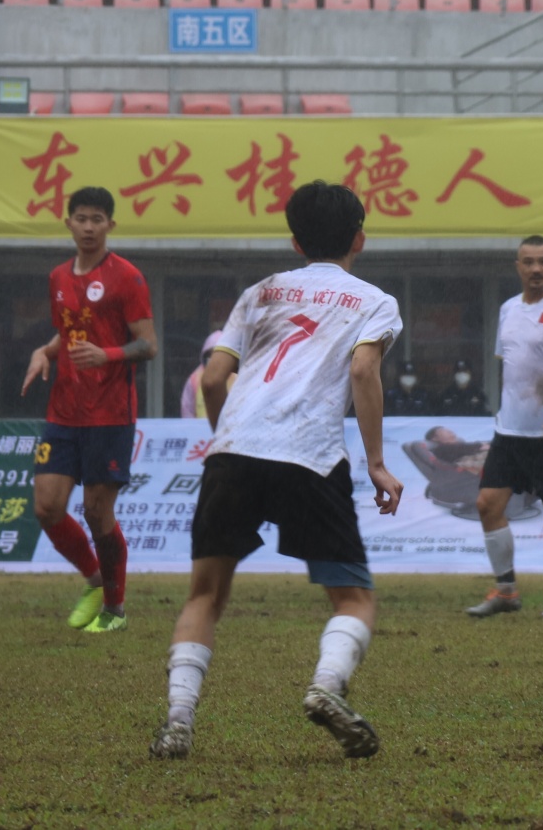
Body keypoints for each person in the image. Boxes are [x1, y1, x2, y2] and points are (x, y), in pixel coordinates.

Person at [148, 181, 404, 761]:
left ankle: (178, 721)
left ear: (293, 242)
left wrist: (229, 441)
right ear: (360, 238)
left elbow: (214, 379)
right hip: (309, 456)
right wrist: (378, 464)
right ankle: (325, 687)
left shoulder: (259, 293)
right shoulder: (375, 300)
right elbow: (364, 372)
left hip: (234, 453)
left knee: (205, 596)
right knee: (353, 598)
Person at [21, 186, 157, 633]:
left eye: (97, 219)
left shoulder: (128, 278)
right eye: (81, 218)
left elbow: (148, 345)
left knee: (98, 512)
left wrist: (109, 355)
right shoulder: (58, 277)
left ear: (110, 226)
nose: (88, 227)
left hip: (110, 413)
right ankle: (95, 579)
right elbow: (68, 332)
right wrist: (46, 350)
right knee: (47, 507)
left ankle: (115, 609)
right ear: (68, 223)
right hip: (64, 411)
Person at [466, 235, 543, 620]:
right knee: (487, 505)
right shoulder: (508, 310)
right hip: (509, 434)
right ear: (517, 267)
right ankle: (506, 592)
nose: (536, 269)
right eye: (528, 262)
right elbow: (512, 367)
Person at [180, 330, 222, 419]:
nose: (214, 358)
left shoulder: (238, 377)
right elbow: (187, 411)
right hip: (200, 432)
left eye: (219, 354)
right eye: (210, 354)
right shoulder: (194, 380)